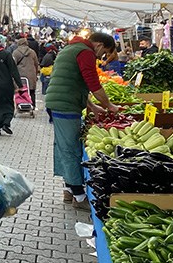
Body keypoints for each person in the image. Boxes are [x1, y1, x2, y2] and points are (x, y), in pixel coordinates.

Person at [45, 32, 119, 210]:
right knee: (70, 149)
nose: (101, 57)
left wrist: (92, 107)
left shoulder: (70, 49)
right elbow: (93, 83)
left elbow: (73, 82)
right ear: (100, 45)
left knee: (64, 146)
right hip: (65, 105)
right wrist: (110, 105)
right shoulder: (85, 52)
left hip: (60, 102)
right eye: (104, 53)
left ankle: (69, 190)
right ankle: (79, 196)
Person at [12, 37, 40, 109]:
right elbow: (36, 64)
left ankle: (20, 104)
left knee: (20, 91)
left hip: (20, 75)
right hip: (31, 74)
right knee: (31, 91)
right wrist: (36, 74)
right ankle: (32, 105)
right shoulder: (32, 52)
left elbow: (13, 65)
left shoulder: (16, 52)